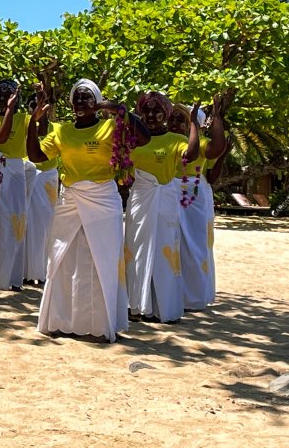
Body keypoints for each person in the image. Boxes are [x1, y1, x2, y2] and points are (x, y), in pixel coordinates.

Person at [26, 78, 150, 342]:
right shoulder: (61, 131)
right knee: (62, 258)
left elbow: (144, 137)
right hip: (70, 199)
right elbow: (36, 157)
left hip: (103, 199)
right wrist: (32, 122)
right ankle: (61, 320)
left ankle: (100, 325)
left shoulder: (111, 127)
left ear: (96, 102)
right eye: (77, 98)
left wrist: (117, 109)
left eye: (87, 97)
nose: (80, 102)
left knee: (101, 261)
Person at [124, 92, 200, 323]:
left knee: (164, 252)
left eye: (157, 111)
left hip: (164, 201)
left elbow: (192, 154)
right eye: (146, 111)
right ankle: (136, 305)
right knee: (136, 251)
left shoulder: (174, 140)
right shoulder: (131, 140)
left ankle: (163, 307)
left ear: (165, 114)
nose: (151, 116)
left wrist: (194, 123)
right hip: (139, 201)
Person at [169, 97, 228, 310]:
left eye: (181, 120)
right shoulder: (164, 141)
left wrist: (217, 118)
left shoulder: (200, 143)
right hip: (168, 195)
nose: (174, 124)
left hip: (194, 198)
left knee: (194, 247)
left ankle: (192, 298)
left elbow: (217, 149)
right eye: (171, 119)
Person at [0, 80, 31, 291]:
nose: (3, 98)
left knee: (13, 221)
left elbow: (44, 128)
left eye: (8, 94)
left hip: (15, 171)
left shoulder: (25, 119)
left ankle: (10, 275)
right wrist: (9, 110)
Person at [24, 96, 58, 286]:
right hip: (29, 176)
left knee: (45, 225)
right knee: (26, 225)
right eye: (33, 106)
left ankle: (43, 271)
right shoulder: (26, 127)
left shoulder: (56, 129)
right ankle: (26, 271)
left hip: (47, 180)